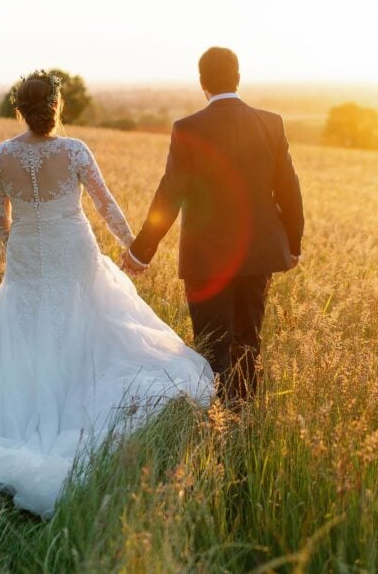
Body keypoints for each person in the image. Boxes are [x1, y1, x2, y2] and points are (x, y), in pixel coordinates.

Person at [0, 70, 213, 519]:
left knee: (26, 322)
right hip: (73, 251)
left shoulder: (1, 157)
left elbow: (1, 220)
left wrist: (20, 253)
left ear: (20, 109)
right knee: (89, 320)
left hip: (27, 255)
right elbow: (105, 204)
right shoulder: (74, 150)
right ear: (57, 107)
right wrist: (133, 248)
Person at [122, 47, 304, 404]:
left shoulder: (188, 128)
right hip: (258, 254)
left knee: (210, 345)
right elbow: (290, 189)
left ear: (202, 83)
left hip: (206, 261)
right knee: (248, 340)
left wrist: (142, 251)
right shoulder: (271, 122)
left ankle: (215, 420)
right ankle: (244, 418)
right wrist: (293, 244)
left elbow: (170, 194)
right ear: (238, 78)